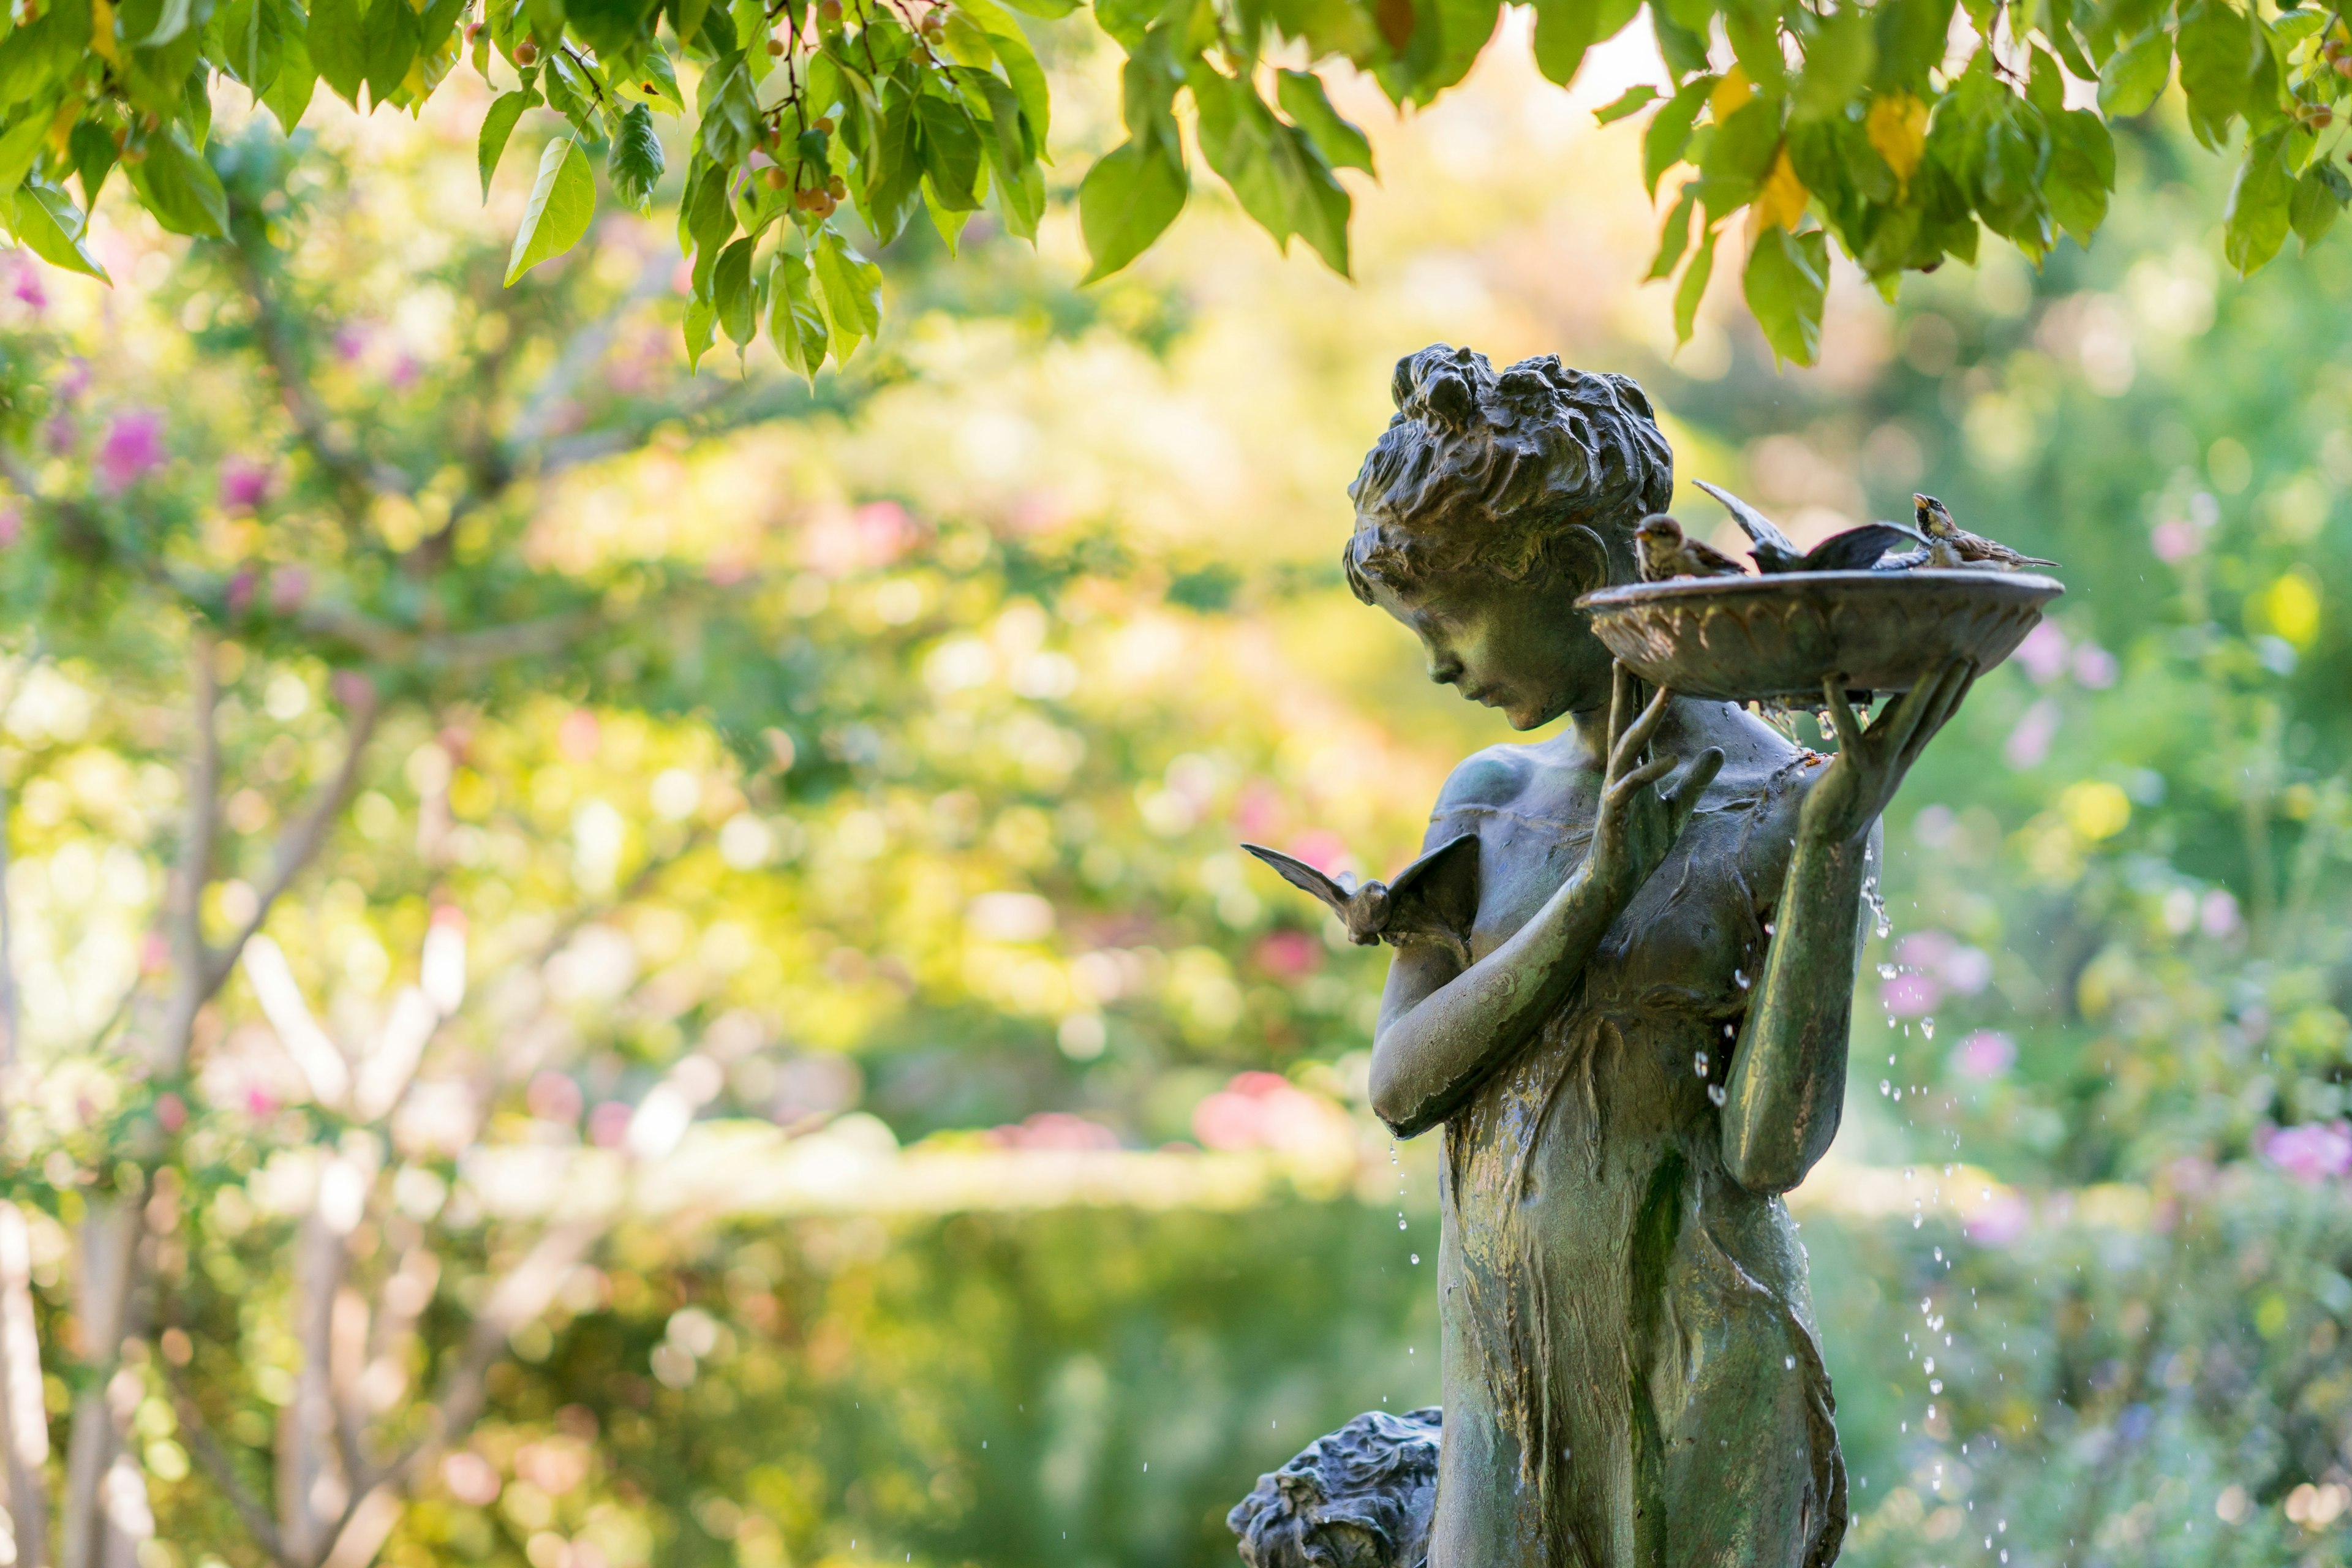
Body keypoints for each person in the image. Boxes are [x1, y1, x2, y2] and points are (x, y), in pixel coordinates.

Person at [1346, 345, 1972, 1567]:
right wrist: (1595, 896)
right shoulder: (1486, 798)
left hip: (1705, 1359)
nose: (1436, 663)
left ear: (1582, 575)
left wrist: (1837, 839)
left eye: (1448, 620)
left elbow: (1770, 1147)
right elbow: (1402, 1084)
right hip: (1507, 1369)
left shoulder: (1789, 798)